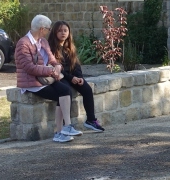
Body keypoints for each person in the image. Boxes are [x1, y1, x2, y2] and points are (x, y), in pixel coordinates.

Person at [15, 14, 80, 143]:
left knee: (66, 90)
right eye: (48, 29)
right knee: (62, 94)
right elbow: (29, 68)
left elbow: (52, 59)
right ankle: (63, 130)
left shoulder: (43, 41)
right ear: (42, 29)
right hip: (32, 83)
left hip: (46, 79)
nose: (49, 31)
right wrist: (51, 71)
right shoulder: (23, 44)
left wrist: (57, 66)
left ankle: (62, 130)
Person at [48, 21, 104, 133]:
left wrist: (79, 77)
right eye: (60, 31)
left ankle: (91, 120)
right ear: (54, 32)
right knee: (66, 91)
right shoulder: (51, 48)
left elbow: (76, 65)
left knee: (87, 89)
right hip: (61, 77)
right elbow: (58, 68)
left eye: (65, 30)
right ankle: (66, 126)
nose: (63, 33)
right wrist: (71, 78)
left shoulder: (70, 47)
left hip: (72, 76)